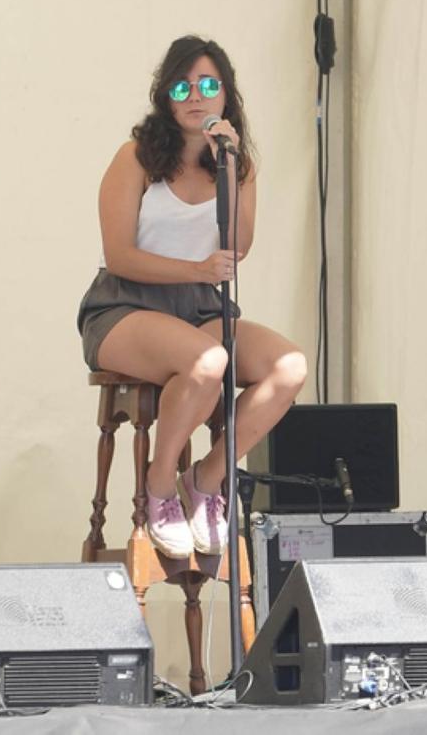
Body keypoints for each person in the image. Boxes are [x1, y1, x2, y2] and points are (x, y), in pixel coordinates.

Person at [77, 35, 307, 560]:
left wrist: (227, 164)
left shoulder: (236, 163)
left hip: (199, 306)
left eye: (209, 85)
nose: (196, 96)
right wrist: (195, 268)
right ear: (165, 95)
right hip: (124, 305)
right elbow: (119, 255)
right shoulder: (135, 157)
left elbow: (237, 247)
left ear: (226, 96)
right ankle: (159, 489)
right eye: (183, 85)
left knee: (289, 366)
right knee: (207, 363)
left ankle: (204, 481)